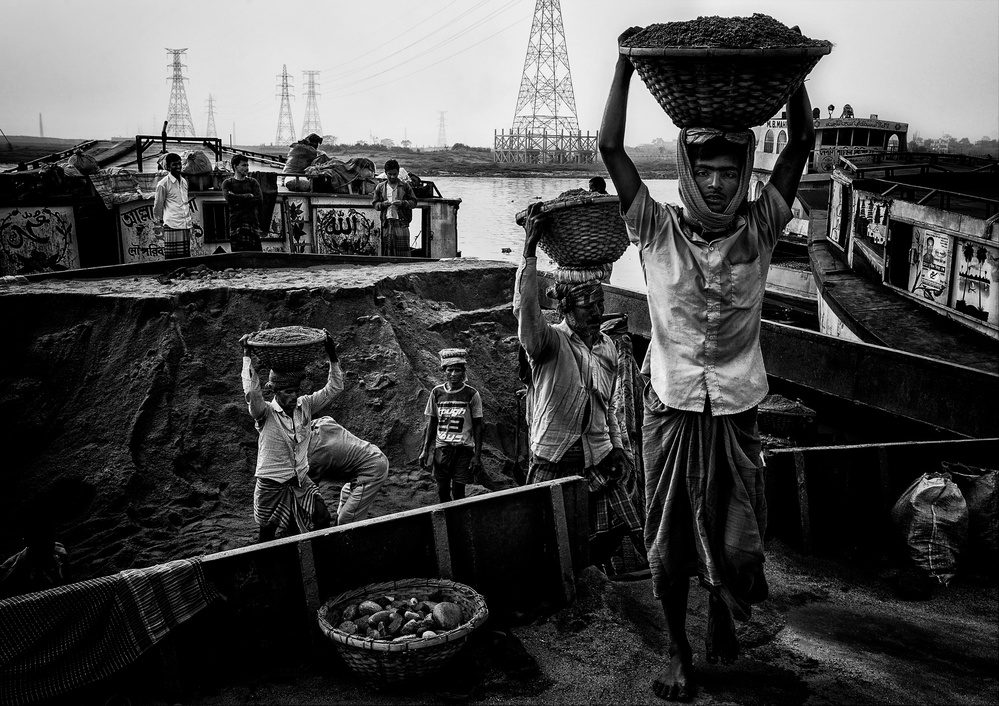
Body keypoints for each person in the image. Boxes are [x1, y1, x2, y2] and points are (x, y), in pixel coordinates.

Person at [598, 25, 814, 702]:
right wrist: (624, 67)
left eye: (729, 172)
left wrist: (791, 71)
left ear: (742, 175)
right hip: (670, 408)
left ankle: (724, 611)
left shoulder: (760, 226)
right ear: (687, 173)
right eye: (706, 171)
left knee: (741, 541)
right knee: (667, 544)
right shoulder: (654, 228)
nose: (718, 185)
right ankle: (678, 650)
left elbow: (802, 143)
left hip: (738, 408)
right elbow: (610, 145)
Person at [514, 211, 646, 575]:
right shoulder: (548, 343)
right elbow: (525, 311)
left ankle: (593, 579)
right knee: (543, 534)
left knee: (611, 531)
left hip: (600, 456)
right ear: (566, 307)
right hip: (555, 456)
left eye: (601, 306)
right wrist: (528, 250)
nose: (598, 313)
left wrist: (619, 447)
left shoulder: (607, 348)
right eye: (589, 306)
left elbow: (611, 409)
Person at [240, 330, 343, 543]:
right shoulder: (265, 413)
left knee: (323, 516)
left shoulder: (305, 405)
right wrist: (247, 356)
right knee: (267, 533)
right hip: (271, 482)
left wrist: (331, 354)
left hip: (300, 479)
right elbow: (252, 393)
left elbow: (334, 388)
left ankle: (315, 560)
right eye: (287, 391)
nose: (293, 395)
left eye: (295, 390)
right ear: (275, 391)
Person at [419, 348, 483, 502]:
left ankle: (459, 522)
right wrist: (425, 449)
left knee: (458, 490)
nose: (453, 374)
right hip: (443, 448)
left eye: (457, 370)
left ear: (463, 372)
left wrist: (477, 455)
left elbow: (478, 425)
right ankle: (447, 522)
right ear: (444, 371)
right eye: (450, 370)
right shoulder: (436, 393)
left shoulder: (472, 394)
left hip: (463, 449)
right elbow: (432, 422)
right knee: (442, 490)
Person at [307, 416, 389, 525]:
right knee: (346, 496)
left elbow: (309, 489)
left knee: (347, 520)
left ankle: (351, 538)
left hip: (372, 470)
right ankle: (339, 532)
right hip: (372, 454)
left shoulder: (315, 455)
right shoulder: (322, 422)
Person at [372, 159, 418, 257]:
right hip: (387, 223)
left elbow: (414, 202)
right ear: (385, 173)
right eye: (390, 174)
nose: (392, 176)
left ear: (398, 173)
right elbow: (375, 204)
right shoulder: (380, 187)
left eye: (395, 174)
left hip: (402, 223)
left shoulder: (405, 186)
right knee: (388, 252)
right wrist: (382, 204)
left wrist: (402, 203)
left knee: (403, 252)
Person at [153, 152, 194, 259]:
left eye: (179, 164)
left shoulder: (184, 182)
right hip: (172, 224)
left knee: (185, 258)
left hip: (185, 224)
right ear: (168, 166)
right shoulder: (163, 184)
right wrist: (159, 223)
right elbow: (158, 206)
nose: (178, 167)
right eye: (174, 165)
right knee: (173, 259)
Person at [222, 155, 264, 252]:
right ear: (235, 166)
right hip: (236, 222)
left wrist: (237, 200)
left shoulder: (252, 182)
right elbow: (229, 198)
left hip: (251, 222)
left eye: (247, 165)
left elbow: (259, 199)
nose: (247, 168)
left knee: (255, 253)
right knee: (238, 254)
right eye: (244, 165)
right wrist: (248, 196)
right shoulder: (228, 183)